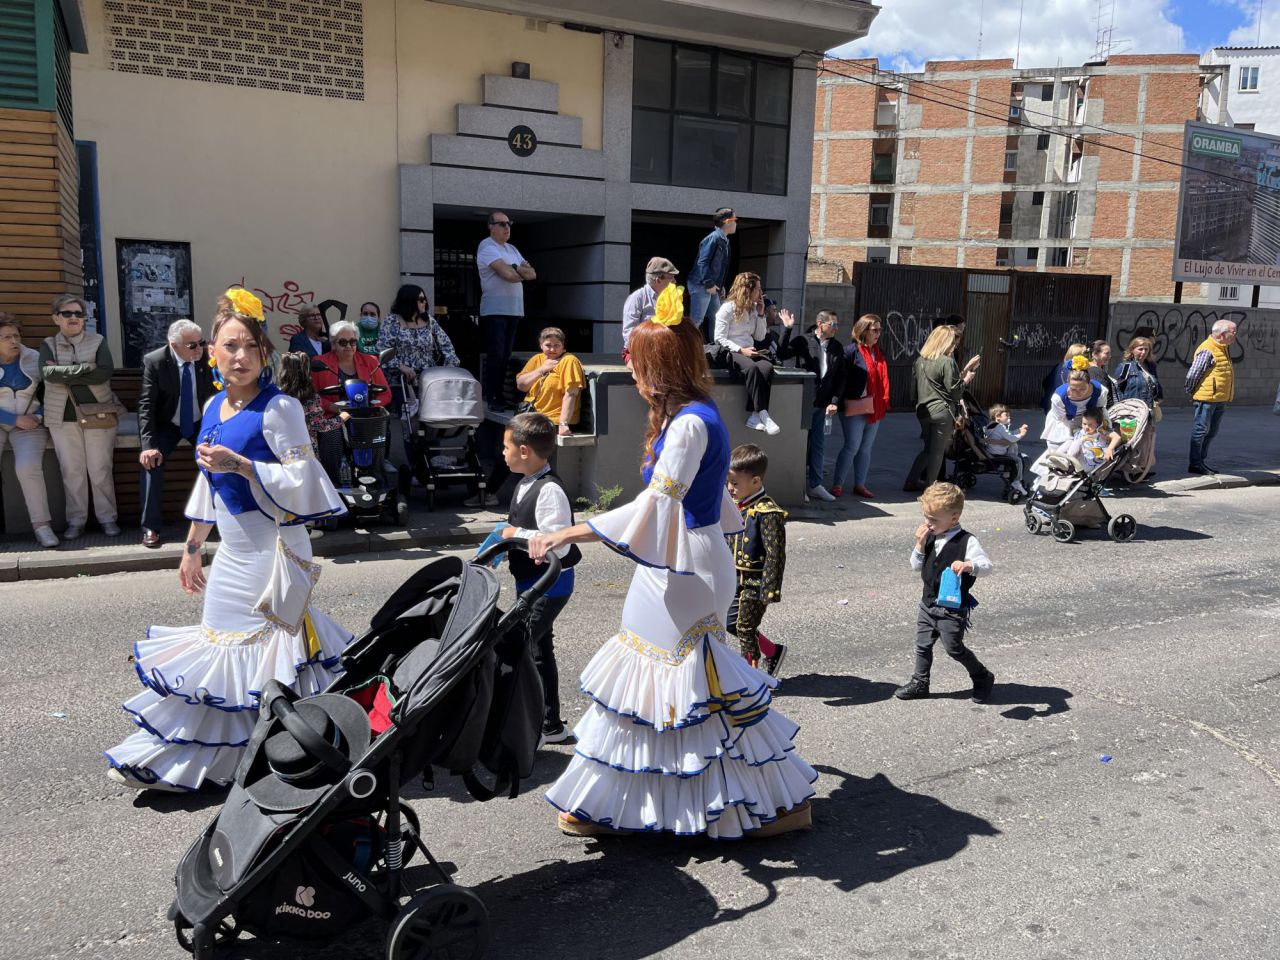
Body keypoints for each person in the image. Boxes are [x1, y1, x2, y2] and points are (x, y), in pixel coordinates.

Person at [526, 283, 816, 839]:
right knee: (669, 684)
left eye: (637, 359)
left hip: (686, 568)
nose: (630, 368)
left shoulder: (688, 423)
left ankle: (763, 806)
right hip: (683, 561)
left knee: (681, 684)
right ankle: (637, 803)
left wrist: (568, 530)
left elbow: (660, 503)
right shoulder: (694, 413)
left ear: (661, 365)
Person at [104, 288, 351, 792]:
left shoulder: (279, 407)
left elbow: (304, 477)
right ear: (210, 351)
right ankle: (214, 759)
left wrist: (243, 464)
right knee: (225, 652)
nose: (239, 357)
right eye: (229, 346)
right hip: (234, 552)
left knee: (261, 655)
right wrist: (193, 546)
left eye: (250, 348)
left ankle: (278, 754)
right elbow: (208, 483)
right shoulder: (215, 404)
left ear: (265, 354)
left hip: (276, 552)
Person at [497, 412, 582, 745]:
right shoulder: (524, 482)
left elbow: (559, 542)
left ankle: (540, 725)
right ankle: (551, 724)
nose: (501, 454)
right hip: (529, 581)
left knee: (527, 648)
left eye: (505, 447)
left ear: (523, 451)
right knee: (539, 648)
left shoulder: (550, 491)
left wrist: (515, 533)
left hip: (550, 584)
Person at [893, 482, 995, 703]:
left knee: (954, 648)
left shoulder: (967, 541)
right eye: (926, 517)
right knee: (922, 645)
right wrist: (919, 544)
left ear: (954, 518)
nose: (928, 524)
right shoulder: (930, 536)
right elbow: (915, 565)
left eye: (934, 519)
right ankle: (920, 682)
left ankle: (982, 676)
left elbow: (987, 566)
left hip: (952, 609)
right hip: (928, 603)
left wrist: (970, 566)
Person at [39, 294, 122, 540]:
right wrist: (87, 367)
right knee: (72, 471)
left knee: (100, 469)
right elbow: (47, 373)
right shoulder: (47, 345)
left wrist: (63, 372)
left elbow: (104, 373)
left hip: (98, 414)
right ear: (56, 318)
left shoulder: (98, 341)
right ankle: (76, 521)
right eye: (67, 313)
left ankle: (108, 519)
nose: (74, 318)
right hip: (61, 417)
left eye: (78, 313)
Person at [138, 319, 216, 548]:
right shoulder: (155, 361)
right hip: (168, 423)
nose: (199, 348)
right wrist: (148, 445)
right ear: (174, 345)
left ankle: (223, 520)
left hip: (200, 422)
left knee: (218, 461)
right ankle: (150, 527)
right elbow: (146, 404)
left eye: (200, 342)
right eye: (192, 345)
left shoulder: (207, 361)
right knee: (151, 465)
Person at [377, 285, 460, 466]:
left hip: (429, 380)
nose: (425, 303)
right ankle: (417, 466)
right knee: (411, 425)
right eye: (420, 300)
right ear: (409, 301)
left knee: (432, 421)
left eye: (424, 299)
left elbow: (446, 345)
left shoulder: (429, 321)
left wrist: (450, 365)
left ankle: (435, 463)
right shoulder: (392, 321)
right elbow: (382, 350)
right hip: (402, 382)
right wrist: (400, 366)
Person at [725, 443, 788, 677]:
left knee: (744, 627)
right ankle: (773, 652)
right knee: (730, 623)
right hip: (733, 579)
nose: (730, 488)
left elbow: (776, 553)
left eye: (735, 484)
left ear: (756, 482)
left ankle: (752, 677)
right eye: (728, 482)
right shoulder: (735, 506)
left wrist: (770, 589)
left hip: (755, 582)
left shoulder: (767, 512)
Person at [0, 313, 57, 548]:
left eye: (16, 335)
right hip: (4, 419)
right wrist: (12, 418)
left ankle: (42, 526)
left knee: (27, 466)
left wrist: (39, 415)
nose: (14, 341)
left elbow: (55, 392)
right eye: (6, 337)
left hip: (30, 422)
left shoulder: (34, 358)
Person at [778, 308, 844, 500]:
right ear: (820, 324)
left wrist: (834, 401)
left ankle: (815, 485)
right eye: (833, 324)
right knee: (800, 444)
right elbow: (782, 354)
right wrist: (787, 329)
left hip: (823, 404)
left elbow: (840, 377)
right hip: (804, 400)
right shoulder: (803, 341)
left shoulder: (836, 347)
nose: (836, 329)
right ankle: (798, 487)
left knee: (818, 445)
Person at [904, 326, 977, 492]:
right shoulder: (947, 361)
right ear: (946, 342)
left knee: (928, 449)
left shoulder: (920, 361)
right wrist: (966, 379)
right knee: (937, 452)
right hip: (942, 411)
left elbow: (913, 391)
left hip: (923, 410)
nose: (955, 347)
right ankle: (931, 488)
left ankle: (911, 481)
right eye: (954, 343)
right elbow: (956, 390)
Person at [477, 211, 535, 407]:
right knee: (497, 355)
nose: (506, 227)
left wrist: (513, 268)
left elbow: (532, 274)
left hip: (514, 309)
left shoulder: (511, 248)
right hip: (495, 310)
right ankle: (493, 397)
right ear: (491, 226)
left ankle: (501, 395)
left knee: (506, 355)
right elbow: (508, 274)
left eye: (508, 223)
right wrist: (517, 270)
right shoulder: (487, 246)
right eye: (501, 224)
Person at [714, 272, 780, 435]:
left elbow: (759, 336)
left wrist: (761, 314)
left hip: (749, 350)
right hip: (730, 351)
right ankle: (763, 413)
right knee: (751, 368)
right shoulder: (727, 308)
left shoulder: (753, 309)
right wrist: (740, 350)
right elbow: (719, 338)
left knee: (766, 367)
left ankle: (755, 415)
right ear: (747, 289)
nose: (761, 292)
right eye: (758, 288)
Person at [836, 314, 891, 499]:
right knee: (852, 446)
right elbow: (841, 379)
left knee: (865, 448)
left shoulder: (879, 352)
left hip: (874, 407)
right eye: (874, 330)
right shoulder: (851, 351)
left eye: (879, 330)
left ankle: (860, 484)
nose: (878, 333)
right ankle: (838, 484)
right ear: (863, 330)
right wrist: (835, 401)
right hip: (854, 406)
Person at [278, 350, 343, 486]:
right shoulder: (311, 399)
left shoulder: (277, 397)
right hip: (306, 450)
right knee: (309, 485)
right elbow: (320, 426)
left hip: (284, 449)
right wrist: (342, 417)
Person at [1185, 319, 1237, 475]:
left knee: (1212, 431)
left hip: (1219, 399)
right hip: (1206, 399)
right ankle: (1195, 463)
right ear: (1222, 334)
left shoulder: (1223, 348)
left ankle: (1201, 460)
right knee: (1200, 431)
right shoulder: (1208, 349)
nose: (1235, 335)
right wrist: (1191, 392)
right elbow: (1192, 375)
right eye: (1233, 332)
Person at [313, 320, 392, 419]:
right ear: (333, 345)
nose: (349, 346)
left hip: (367, 418)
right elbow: (312, 397)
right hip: (334, 418)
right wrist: (333, 407)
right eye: (343, 342)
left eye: (352, 342)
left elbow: (386, 394)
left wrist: (370, 408)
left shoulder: (371, 361)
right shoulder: (320, 363)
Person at [515, 326, 585, 436]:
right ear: (541, 346)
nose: (552, 349)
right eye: (548, 345)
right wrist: (542, 369)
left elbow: (571, 393)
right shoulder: (537, 359)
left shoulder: (569, 361)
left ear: (563, 347)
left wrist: (563, 423)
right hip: (533, 418)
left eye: (557, 345)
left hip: (554, 422)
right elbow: (521, 385)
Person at [1114, 335, 1163, 472]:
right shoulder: (1126, 367)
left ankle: (1139, 468)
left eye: (1146, 350)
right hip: (1131, 409)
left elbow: (1156, 383)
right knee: (1128, 439)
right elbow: (1117, 388)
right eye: (1140, 349)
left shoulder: (1150, 366)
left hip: (1147, 409)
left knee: (1145, 440)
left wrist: (1159, 397)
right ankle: (1123, 468)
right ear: (1132, 349)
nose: (1143, 353)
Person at [1039, 365, 1108, 458]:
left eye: (1082, 389)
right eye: (1073, 389)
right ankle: (1060, 460)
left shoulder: (1100, 390)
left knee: (1092, 447)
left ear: (1089, 383)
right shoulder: (1058, 398)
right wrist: (1076, 432)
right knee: (1067, 444)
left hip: (1090, 419)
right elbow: (1061, 419)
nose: (1078, 393)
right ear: (1068, 384)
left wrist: (1096, 426)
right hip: (1065, 422)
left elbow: (1100, 409)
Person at [687, 207, 736, 339]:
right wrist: (709, 284)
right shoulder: (713, 238)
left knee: (718, 318)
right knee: (696, 320)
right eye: (735, 220)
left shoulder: (724, 240)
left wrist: (720, 285)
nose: (736, 223)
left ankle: (716, 350)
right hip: (701, 284)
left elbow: (719, 267)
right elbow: (703, 262)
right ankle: (685, 351)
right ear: (727, 221)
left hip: (711, 286)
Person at [621, 256, 678, 360]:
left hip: (665, 350)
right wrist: (647, 351)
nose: (675, 281)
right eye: (671, 278)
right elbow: (629, 332)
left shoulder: (672, 297)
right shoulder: (637, 298)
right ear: (658, 280)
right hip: (639, 350)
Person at [983, 404, 1029, 496]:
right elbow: (1011, 438)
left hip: (991, 452)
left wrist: (1018, 430)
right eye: (1006, 415)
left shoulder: (991, 425)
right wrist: (1021, 434)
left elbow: (1008, 434)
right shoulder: (1000, 427)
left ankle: (1008, 474)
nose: (1009, 417)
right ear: (998, 417)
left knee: (1013, 447)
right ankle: (1016, 481)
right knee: (1018, 460)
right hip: (999, 454)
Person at [1066, 406, 1121, 473]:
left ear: (1097, 424)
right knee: (1071, 441)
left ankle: (1066, 460)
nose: (1086, 427)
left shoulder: (1101, 432)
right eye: (1084, 424)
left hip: (1094, 462)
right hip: (1081, 459)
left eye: (1090, 425)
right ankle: (1063, 459)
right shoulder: (1082, 432)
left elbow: (1117, 437)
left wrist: (1109, 449)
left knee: (1079, 441)